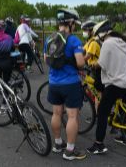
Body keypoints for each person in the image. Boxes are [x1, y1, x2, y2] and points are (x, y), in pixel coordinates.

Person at [87, 20, 126, 155]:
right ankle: (125, 137)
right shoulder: (121, 41)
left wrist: (93, 65)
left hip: (116, 83)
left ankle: (99, 144)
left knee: (102, 112)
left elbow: (101, 64)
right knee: (124, 107)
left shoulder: (107, 44)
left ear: (100, 34)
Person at [44, 9, 86, 161]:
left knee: (56, 113)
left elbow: (46, 60)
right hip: (70, 83)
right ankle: (69, 150)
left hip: (54, 83)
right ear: (71, 23)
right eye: (74, 23)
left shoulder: (49, 38)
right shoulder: (74, 40)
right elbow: (80, 63)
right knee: (72, 116)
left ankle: (57, 144)